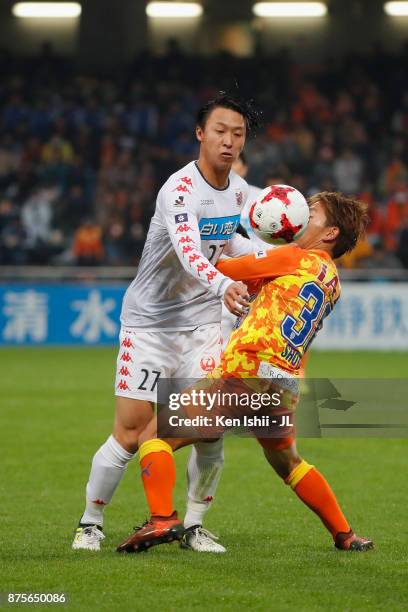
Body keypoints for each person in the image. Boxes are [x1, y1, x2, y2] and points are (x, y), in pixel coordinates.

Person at [116, 191, 374, 554]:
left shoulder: (292, 257)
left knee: (152, 437)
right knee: (289, 464)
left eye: (311, 213)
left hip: (246, 372)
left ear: (329, 233)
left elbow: (220, 272)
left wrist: (214, 246)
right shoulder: (331, 280)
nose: (301, 216)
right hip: (283, 384)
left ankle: (162, 518)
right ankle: (346, 535)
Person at [72, 93, 259, 553]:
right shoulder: (178, 190)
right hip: (149, 325)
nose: (229, 141)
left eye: (237, 134)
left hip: (201, 325)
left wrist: (282, 261)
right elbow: (189, 250)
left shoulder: (237, 190)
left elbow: (231, 243)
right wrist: (224, 287)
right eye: (220, 131)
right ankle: (90, 521)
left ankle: (192, 526)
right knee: (132, 434)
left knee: (210, 427)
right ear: (200, 134)